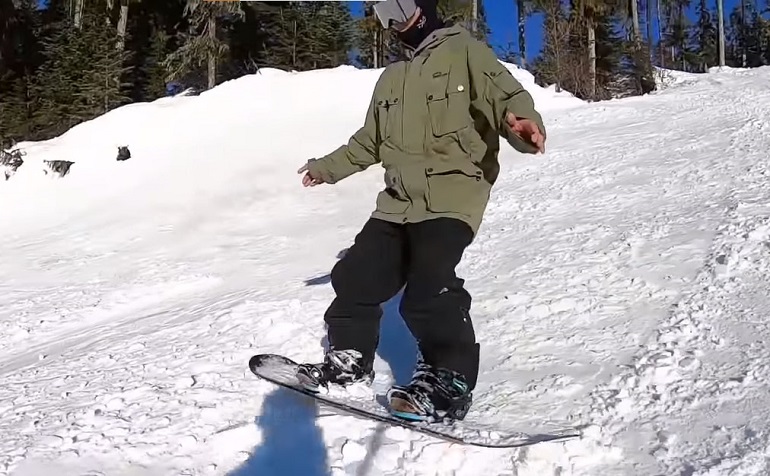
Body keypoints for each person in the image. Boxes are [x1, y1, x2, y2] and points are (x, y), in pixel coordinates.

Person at [295, 0, 546, 422]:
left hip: (452, 195)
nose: (394, 21)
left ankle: (450, 381)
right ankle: (350, 360)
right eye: (382, 15)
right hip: (398, 201)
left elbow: (508, 96)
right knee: (356, 275)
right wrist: (327, 168)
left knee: (428, 289)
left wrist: (523, 124)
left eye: (400, 7)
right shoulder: (391, 78)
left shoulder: (464, 51)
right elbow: (369, 141)